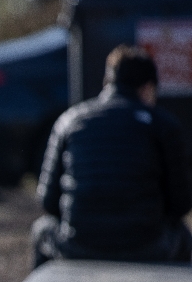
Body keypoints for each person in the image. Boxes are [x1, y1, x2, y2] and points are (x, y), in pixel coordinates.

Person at [33, 45, 192, 268]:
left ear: (107, 83)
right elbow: (181, 203)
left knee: (42, 230)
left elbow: (48, 201)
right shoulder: (163, 125)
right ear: (147, 88)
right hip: (148, 247)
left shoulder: (69, 121)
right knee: (184, 237)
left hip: (77, 245)